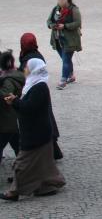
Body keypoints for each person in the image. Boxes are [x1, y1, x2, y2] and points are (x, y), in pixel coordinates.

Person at [1, 59, 66, 201]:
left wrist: (15, 101)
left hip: (36, 133)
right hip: (37, 132)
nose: (25, 69)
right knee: (44, 165)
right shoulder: (33, 85)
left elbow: (29, 108)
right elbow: (27, 105)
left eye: (27, 67)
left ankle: (14, 192)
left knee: (21, 164)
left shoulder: (39, 87)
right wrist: (16, 100)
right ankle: (47, 186)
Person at [46, 0, 82, 90]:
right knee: (65, 58)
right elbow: (49, 21)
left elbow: (78, 23)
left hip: (70, 40)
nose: (60, 1)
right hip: (57, 39)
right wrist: (52, 25)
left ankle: (63, 80)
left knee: (66, 59)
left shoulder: (73, 10)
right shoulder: (55, 9)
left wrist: (65, 26)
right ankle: (70, 75)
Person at [0, 51, 24, 166]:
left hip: (7, 119)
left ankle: (25, 169)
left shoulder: (8, 80)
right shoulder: (12, 76)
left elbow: (7, 98)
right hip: (10, 118)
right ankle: (24, 168)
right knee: (17, 144)